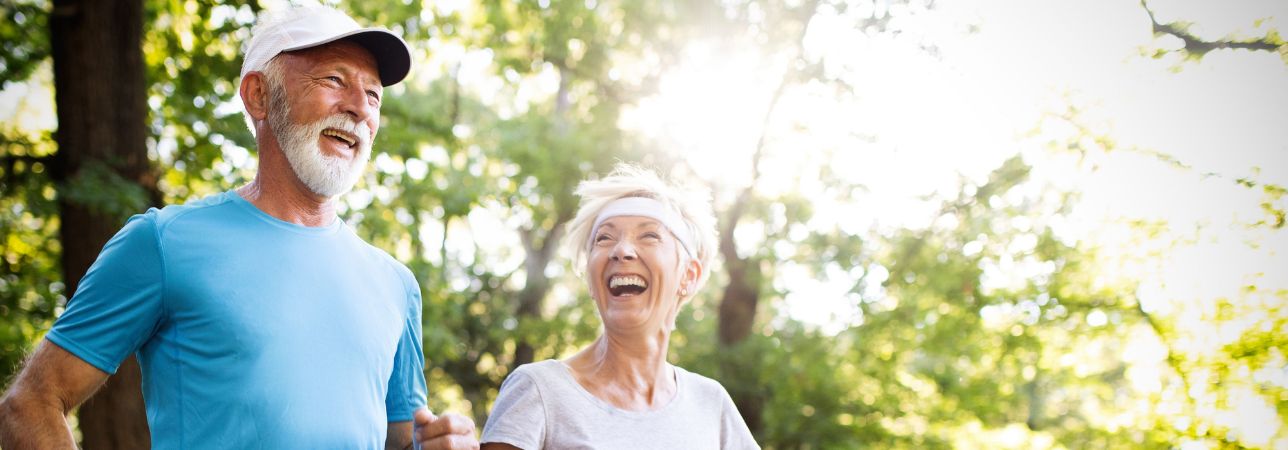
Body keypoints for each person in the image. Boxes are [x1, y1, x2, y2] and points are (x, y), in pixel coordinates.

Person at [0, 5, 478, 449]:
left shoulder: (395, 283)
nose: (360, 107)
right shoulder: (163, 243)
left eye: (373, 94)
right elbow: (29, 405)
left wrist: (435, 443)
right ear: (259, 95)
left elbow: (400, 439)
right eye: (335, 79)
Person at [480, 164, 759, 449]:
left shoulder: (711, 404)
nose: (621, 250)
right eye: (604, 238)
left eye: (649, 235)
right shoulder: (539, 390)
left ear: (689, 275)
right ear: (591, 280)